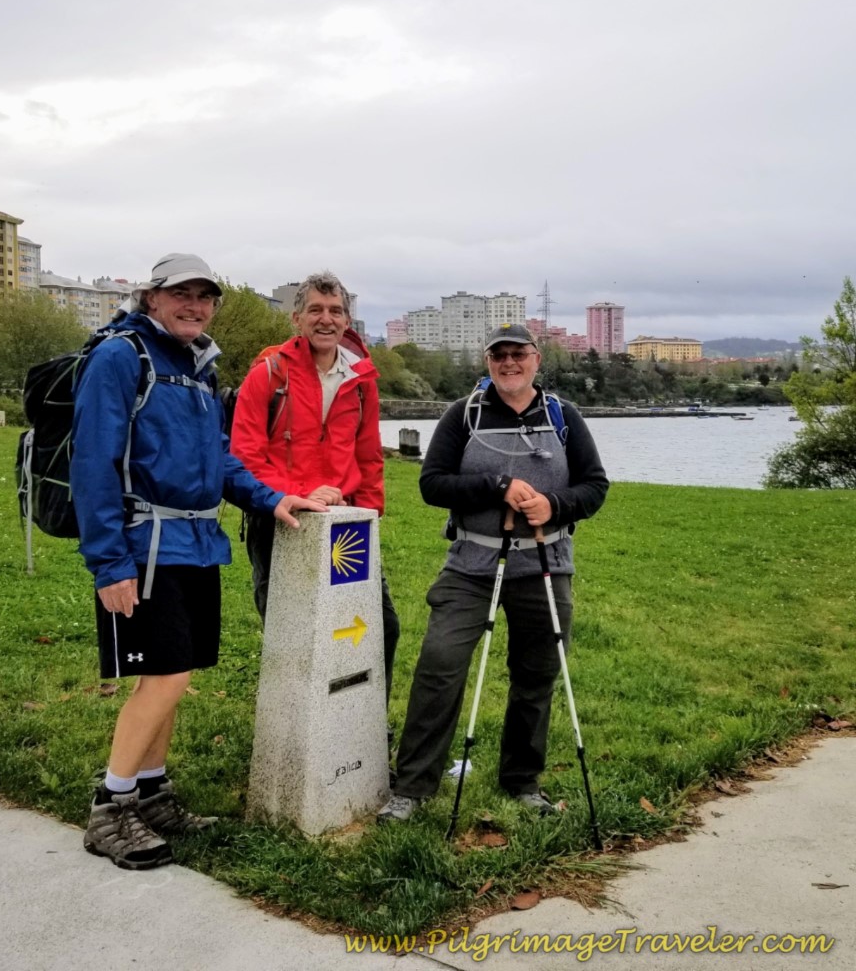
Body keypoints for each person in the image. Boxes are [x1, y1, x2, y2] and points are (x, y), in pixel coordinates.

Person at [72, 252, 323, 870]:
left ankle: (152, 793)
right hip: (143, 548)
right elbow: (93, 464)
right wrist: (110, 564)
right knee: (165, 677)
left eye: (204, 296)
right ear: (151, 298)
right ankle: (112, 807)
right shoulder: (120, 357)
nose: (194, 305)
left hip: (195, 545)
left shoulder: (196, 367)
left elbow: (221, 458)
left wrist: (273, 499)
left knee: (174, 674)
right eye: (180, 293)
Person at [378, 323, 609, 823]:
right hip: (472, 564)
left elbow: (594, 487)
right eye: (499, 355)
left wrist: (555, 505)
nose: (509, 363)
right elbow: (433, 485)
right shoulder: (463, 415)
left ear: (536, 359)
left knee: (538, 672)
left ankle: (522, 781)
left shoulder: (563, 416)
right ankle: (413, 788)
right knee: (439, 665)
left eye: (518, 354)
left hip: (545, 562)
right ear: (488, 362)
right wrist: (497, 485)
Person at [228, 271, 399, 699]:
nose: (327, 319)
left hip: (345, 522)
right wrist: (294, 494)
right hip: (280, 516)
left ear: (347, 320)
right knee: (289, 631)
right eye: (316, 310)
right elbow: (245, 454)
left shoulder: (360, 379)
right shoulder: (268, 374)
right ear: (297, 318)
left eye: (336, 311)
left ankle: (365, 731)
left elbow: (368, 453)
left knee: (377, 626)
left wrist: (371, 512)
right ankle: (291, 731)